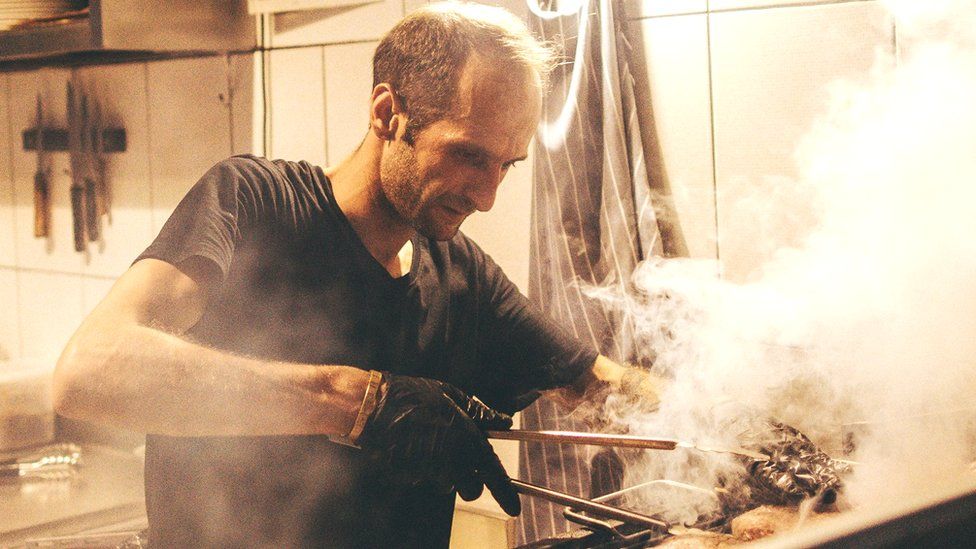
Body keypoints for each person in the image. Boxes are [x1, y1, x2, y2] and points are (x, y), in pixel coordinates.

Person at [53, 2, 662, 547]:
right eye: (469, 155)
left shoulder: (462, 277)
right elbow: (89, 371)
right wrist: (360, 403)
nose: (488, 195)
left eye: (506, 165)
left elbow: (599, 389)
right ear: (387, 113)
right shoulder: (257, 204)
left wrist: (732, 427)